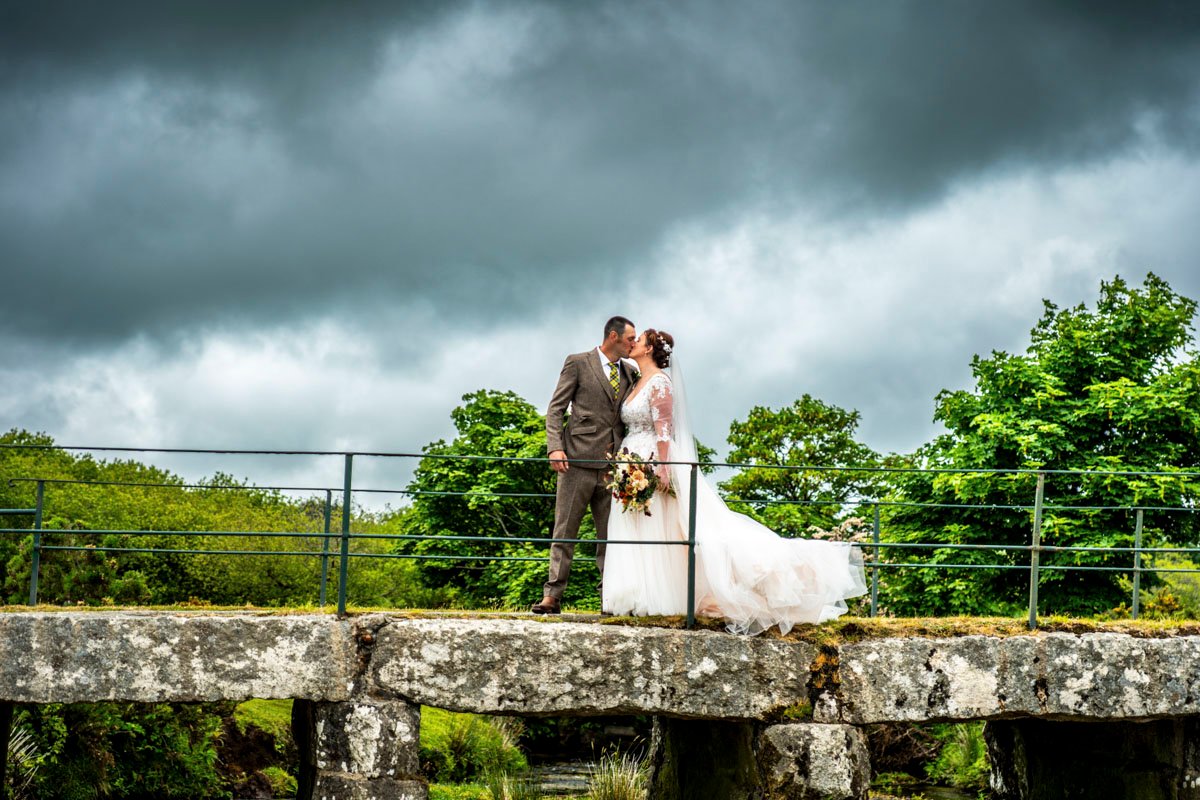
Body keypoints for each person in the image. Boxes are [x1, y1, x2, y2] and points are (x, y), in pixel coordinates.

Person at [602, 329, 868, 634]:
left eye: (638, 340)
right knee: (639, 527)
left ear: (649, 349)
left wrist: (662, 468)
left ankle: (659, 598)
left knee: (662, 527)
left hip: (653, 461)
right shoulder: (637, 381)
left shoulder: (661, 382)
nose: (632, 343)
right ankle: (638, 595)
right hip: (631, 460)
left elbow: (664, 430)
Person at [531, 316, 638, 614]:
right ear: (613, 336)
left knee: (610, 537)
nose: (634, 343)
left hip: (613, 468)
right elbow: (555, 409)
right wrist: (555, 448)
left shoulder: (630, 371)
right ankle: (552, 596)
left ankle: (610, 599)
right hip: (575, 462)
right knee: (565, 530)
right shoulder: (578, 362)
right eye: (631, 338)